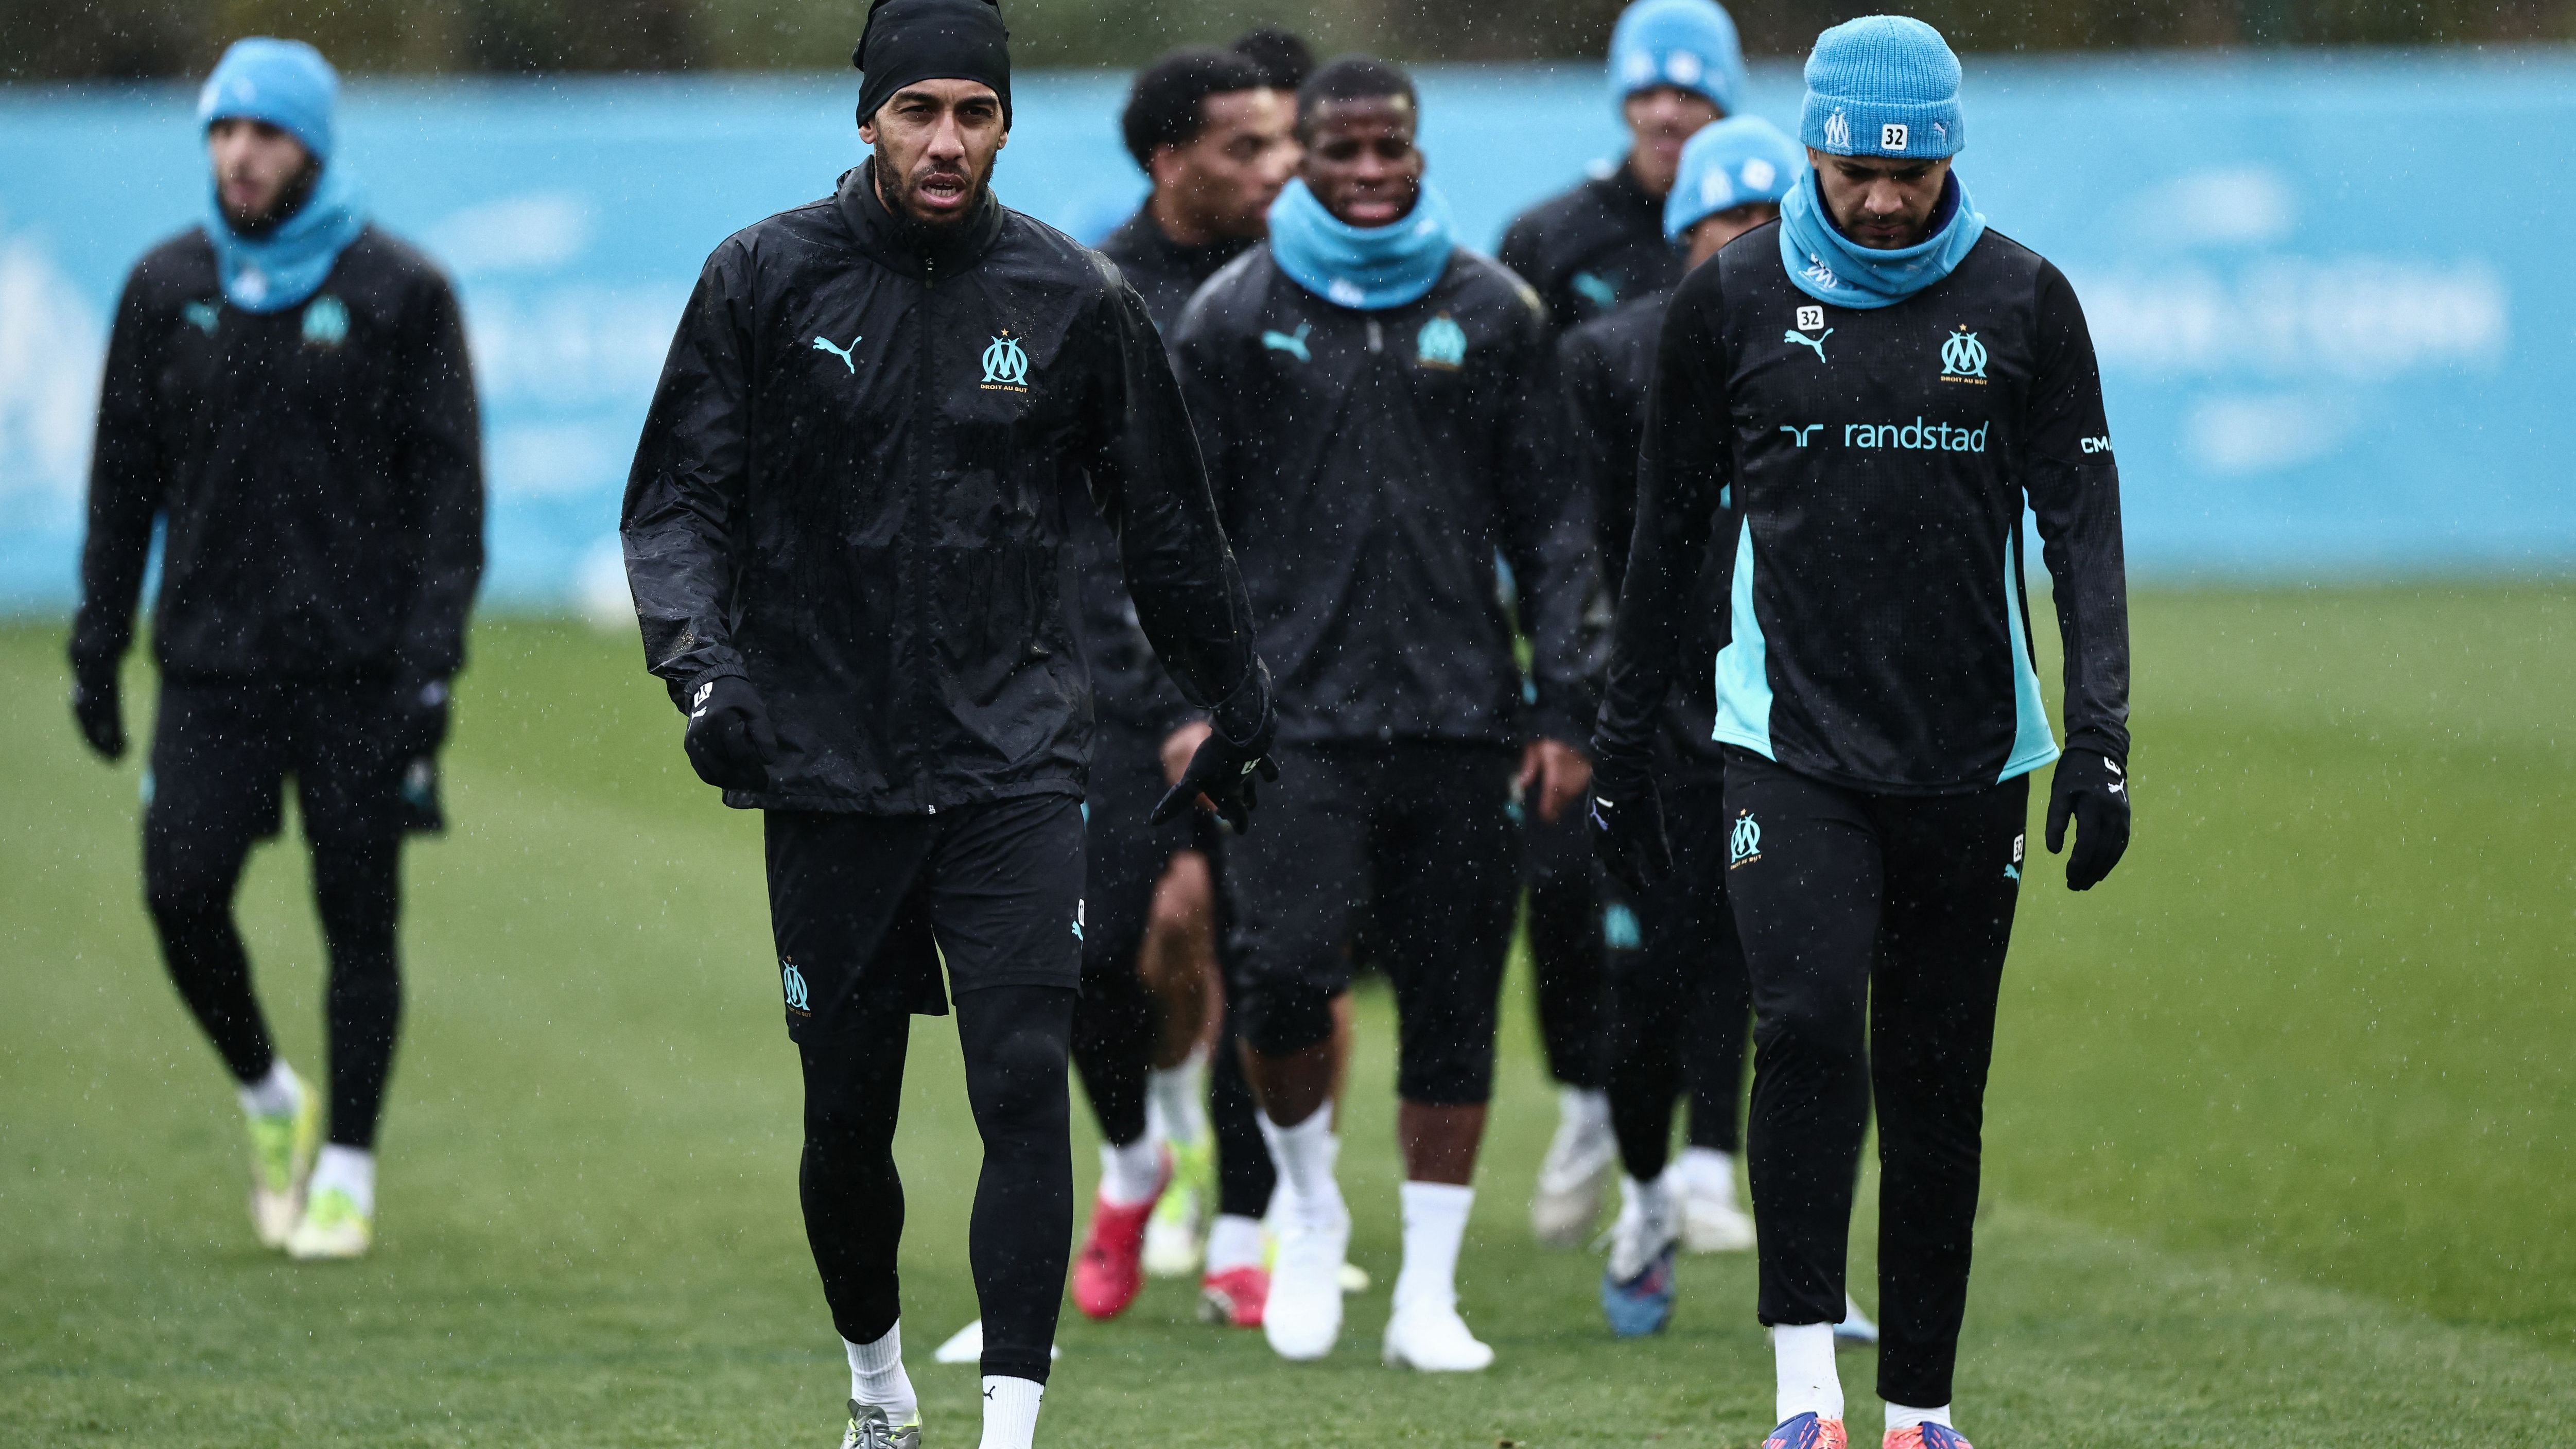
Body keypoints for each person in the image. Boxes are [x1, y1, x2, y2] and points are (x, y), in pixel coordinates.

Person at [619, 2, 1276, 1444]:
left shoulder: (1070, 297)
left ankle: (1007, 1428)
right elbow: (676, 504)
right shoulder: (763, 279)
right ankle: (876, 1391)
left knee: (1020, 1090)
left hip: (1015, 765)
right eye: (917, 109)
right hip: (827, 768)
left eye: (973, 112)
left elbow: (1168, 529)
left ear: (1004, 125)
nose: (945, 139)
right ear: (866, 119)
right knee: (846, 1122)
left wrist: (1237, 697)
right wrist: (706, 673)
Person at [1590, 18, 2132, 1449]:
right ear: (1816, 147)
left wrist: (2100, 732)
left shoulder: (2023, 300)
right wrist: (1627, 730)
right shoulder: (1732, 301)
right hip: (1785, 744)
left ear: (1950, 153)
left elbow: (2081, 528)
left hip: (1970, 754)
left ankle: (1921, 1411)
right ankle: (1803, 1397)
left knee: (1937, 1082)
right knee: (1809, 1024)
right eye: (1855, 169)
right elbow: (1661, 538)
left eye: (1914, 170)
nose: (1884, 199)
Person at [1173, 56, 1596, 1371]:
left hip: (1466, 721)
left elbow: (1560, 527)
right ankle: (1307, 1211)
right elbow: (1178, 539)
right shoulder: (1234, 317)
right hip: (1289, 729)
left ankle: (1427, 1290)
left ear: (1417, 151)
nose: (1367, 171)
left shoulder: (1497, 307)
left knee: (1455, 1001)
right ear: (1299, 153)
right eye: (1339, 149)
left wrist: (1565, 706)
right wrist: (1193, 705)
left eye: (1388, 148)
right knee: (1286, 982)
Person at [68, 37, 483, 1265]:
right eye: (222, 131)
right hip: (207, 671)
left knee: (359, 917)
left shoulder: (403, 290)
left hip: (359, 673)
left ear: (313, 145)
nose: (239, 155)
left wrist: (430, 666)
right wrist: (97, 647)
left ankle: (348, 1165)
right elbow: (119, 489)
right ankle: (269, 1096)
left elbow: (450, 500)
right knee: (179, 895)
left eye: (266, 133)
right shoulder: (162, 288)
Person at [1496, 0, 1747, 1249]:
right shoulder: (1550, 240)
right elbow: (1523, 462)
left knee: (1726, 898)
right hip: (1583, 632)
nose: (1666, 108)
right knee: (1565, 887)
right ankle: (1592, 1100)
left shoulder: (1765, 249)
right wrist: (1558, 658)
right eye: (1649, 89)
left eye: (1692, 91)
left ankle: (1705, 1149)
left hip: (1727, 638)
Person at [1069, 44, 1297, 1330]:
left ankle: (1248, 1233)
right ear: (1171, 161)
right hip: (1114, 686)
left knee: (1263, 958)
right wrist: (1162, 706)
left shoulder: (1305, 283)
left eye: (1285, 144)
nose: (1283, 170)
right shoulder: (1096, 293)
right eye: (1248, 149)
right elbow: (1089, 529)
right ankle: (1134, 1164)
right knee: (1099, 961)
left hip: (1272, 682)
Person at [1561, 116, 1796, 1341]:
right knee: (1654, 982)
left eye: (1769, 220)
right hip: (1666, 713)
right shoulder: (1611, 358)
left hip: (1802, 716)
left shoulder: (1837, 352)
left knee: (1803, 987)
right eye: (1727, 222)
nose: (1749, 243)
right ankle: (1649, 1194)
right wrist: (1609, 704)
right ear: (1684, 230)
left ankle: (1808, 1254)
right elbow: (1599, 548)